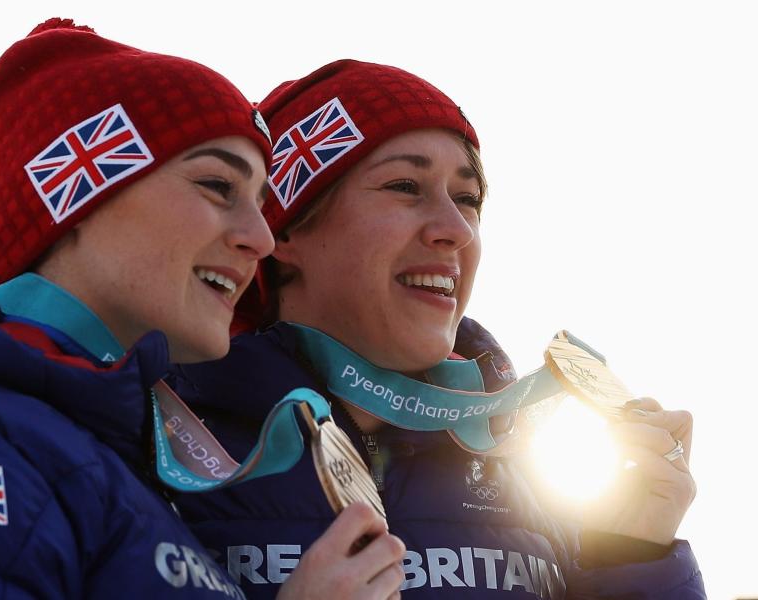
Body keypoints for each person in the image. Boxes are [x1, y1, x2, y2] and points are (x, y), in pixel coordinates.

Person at [0, 21, 405, 600]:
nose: (261, 238)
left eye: (261, 201)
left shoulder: (87, 450)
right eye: (219, 187)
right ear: (78, 199)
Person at [164, 59, 705, 598]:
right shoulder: (161, 446)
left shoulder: (528, 472)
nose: (454, 229)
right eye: (405, 186)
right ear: (284, 231)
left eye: (467, 199)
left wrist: (631, 555)